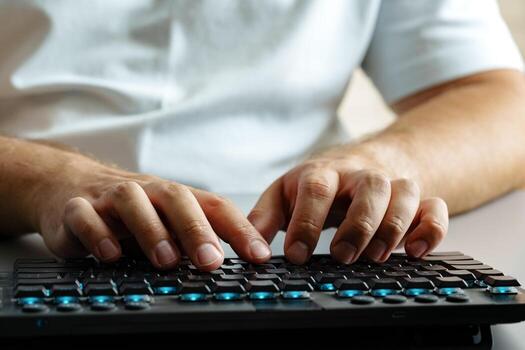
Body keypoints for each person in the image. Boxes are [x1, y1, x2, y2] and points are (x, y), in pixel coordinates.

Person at [0, 0, 524, 271]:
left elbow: (502, 101)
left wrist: (382, 163)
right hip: (22, 238)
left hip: (306, 255)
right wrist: (41, 179)